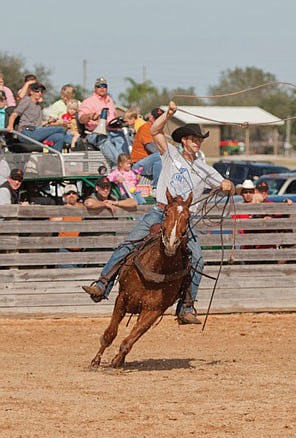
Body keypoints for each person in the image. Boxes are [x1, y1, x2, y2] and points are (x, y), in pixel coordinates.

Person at [82, 101, 234, 325]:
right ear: (184, 140)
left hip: (184, 220)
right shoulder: (170, 154)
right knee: (129, 244)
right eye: (194, 139)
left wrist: (228, 184)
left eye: (200, 140)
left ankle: (186, 307)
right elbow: (155, 130)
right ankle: (103, 284)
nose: (197, 144)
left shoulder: (204, 168)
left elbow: (225, 183)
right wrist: (169, 114)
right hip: (161, 212)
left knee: (198, 260)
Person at [78, 77, 127, 167]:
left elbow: (113, 116)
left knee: (123, 138)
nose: (102, 88)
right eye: (99, 86)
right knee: (104, 139)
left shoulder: (110, 101)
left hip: (112, 131)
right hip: (94, 133)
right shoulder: (88, 102)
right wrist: (90, 116)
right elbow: (81, 119)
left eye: (104, 86)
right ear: (95, 88)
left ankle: (119, 167)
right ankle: (123, 165)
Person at [7, 82, 69, 151]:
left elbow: (39, 124)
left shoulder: (38, 106)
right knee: (60, 129)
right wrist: (10, 126)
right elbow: (14, 114)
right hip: (27, 132)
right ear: (31, 92)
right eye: (37, 91)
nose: (39, 93)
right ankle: (73, 144)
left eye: (41, 91)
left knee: (59, 137)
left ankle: (53, 160)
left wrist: (48, 122)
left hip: (36, 132)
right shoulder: (27, 100)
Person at [50, 184, 85, 267]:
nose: (71, 195)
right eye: (68, 194)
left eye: (73, 193)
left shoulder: (83, 208)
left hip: (81, 249)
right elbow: (52, 220)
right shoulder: (60, 210)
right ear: (64, 197)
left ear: (77, 195)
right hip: (65, 248)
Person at [131, 107, 164, 190]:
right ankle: (156, 188)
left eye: (161, 118)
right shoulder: (145, 128)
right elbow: (153, 148)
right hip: (138, 164)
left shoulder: (159, 130)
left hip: (149, 162)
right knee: (160, 156)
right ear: (151, 118)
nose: (159, 121)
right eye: (157, 118)